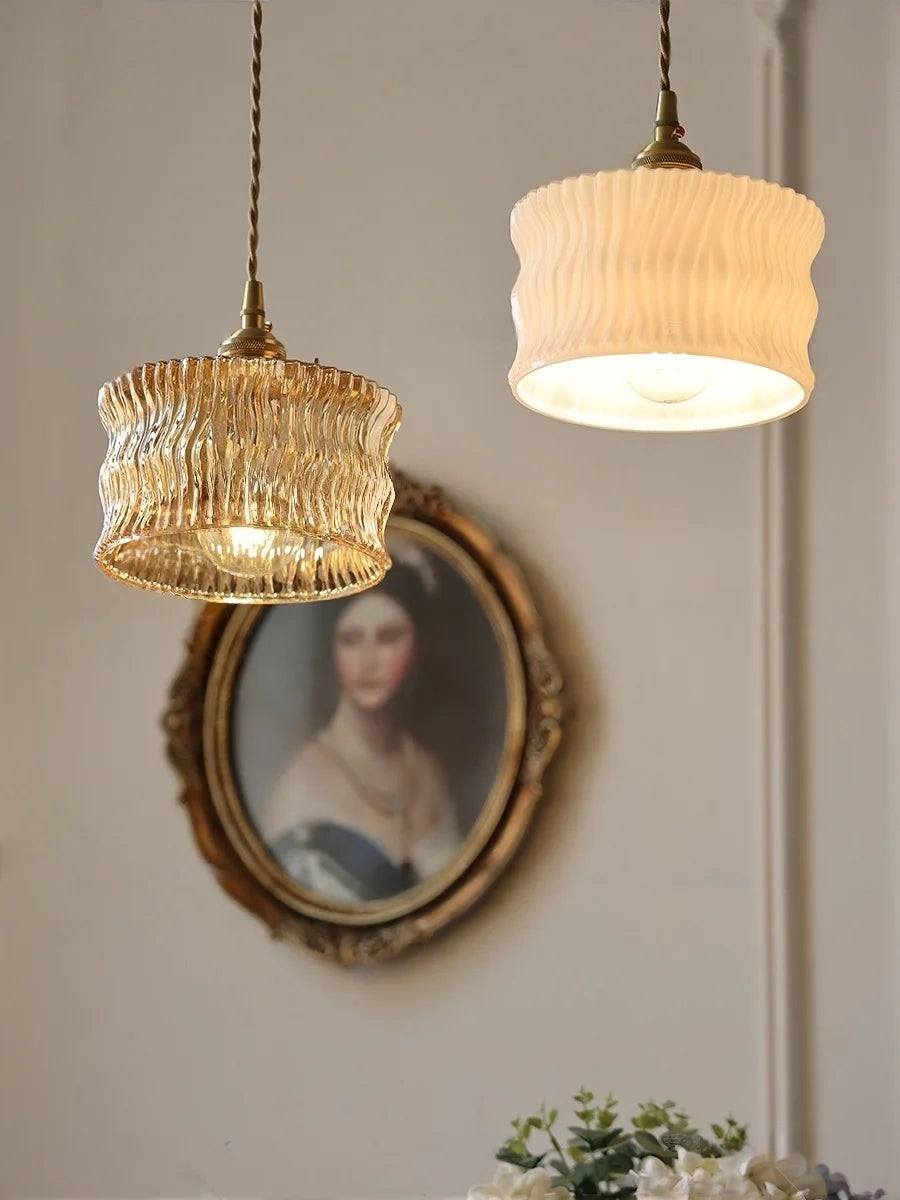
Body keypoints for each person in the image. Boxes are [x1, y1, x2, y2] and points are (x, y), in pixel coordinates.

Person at [261, 544, 461, 904]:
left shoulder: (427, 771)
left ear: (418, 646)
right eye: (351, 641)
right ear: (332, 650)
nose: (369, 662)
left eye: (389, 638)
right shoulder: (302, 782)